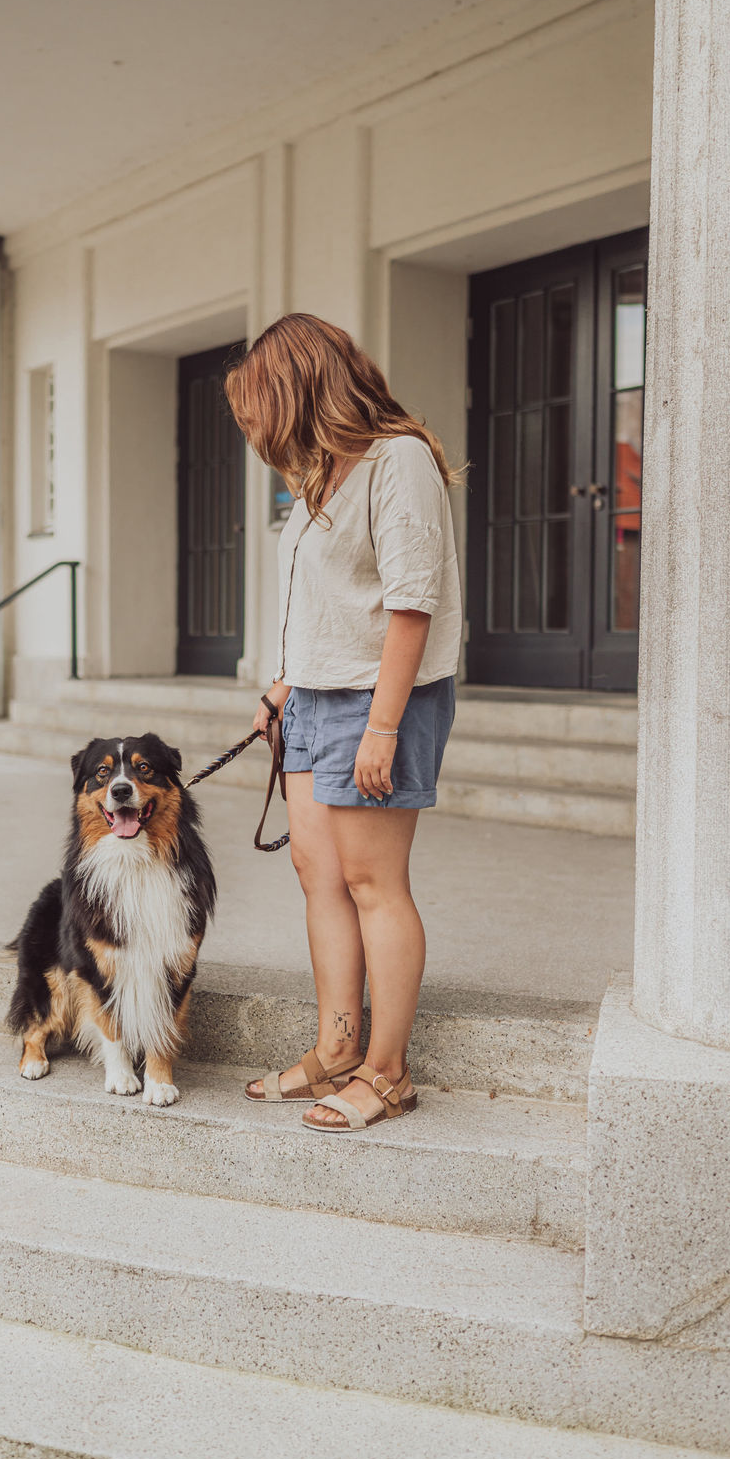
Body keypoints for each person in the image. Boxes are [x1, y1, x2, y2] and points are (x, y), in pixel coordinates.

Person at [223, 313, 464, 1135]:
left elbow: (409, 604)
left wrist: (384, 728)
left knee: (372, 885)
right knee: (318, 879)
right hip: (318, 697)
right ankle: (335, 1048)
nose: (254, 429)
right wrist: (282, 688)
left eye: (257, 407)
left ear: (297, 389)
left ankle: (388, 1074)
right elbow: (326, 604)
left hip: (380, 699)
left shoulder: (399, 461)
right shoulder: (321, 477)